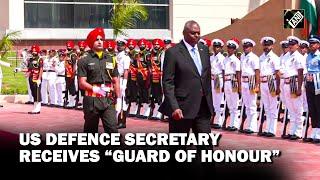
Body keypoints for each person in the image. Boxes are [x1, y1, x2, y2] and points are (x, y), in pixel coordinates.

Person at [159, 20, 213, 144]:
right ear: (184, 33)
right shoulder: (173, 53)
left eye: (199, 33)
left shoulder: (204, 50)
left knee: (206, 148)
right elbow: (168, 82)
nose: (197, 35)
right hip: (182, 109)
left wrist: (210, 104)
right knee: (178, 148)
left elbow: (206, 77)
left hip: (202, 108)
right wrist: (174, 107)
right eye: (193, 33)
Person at [78, 27, 120, 133]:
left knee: (113, 130)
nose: (100, 41)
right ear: (92, 42)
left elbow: (115, 80)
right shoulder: (84, 60)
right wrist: (97, 90)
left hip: (108, 100)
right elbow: (82, 83)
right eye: (97, 39)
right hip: (92, 101)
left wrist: (119, 99)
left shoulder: (111, 58)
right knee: (90, 132)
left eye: (102, 39)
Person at [281, 36, 304, 140]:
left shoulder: (299, 57)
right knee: (290, 108)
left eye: (293, 45)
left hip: (295, 83)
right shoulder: (285, 56)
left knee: (297, 108)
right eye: (289, 45)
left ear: (297, 46)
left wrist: (299, 88)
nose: (290, 46)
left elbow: (300, 73)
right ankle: (292, 131)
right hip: (286, 84)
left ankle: (298, 131)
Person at [258, 36, 280, 137]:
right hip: (263, 82)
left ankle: (272, 130)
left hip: (271, 82)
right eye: (265, 45)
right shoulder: (261, 57)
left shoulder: (274, 57)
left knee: (272, 106)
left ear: (272, 46)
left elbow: (277, 73)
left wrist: (278, 87)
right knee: (266, 107)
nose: (266, 46)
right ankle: (267, 129)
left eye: (268, 45)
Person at [239, 38, 260, 134]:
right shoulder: (242, 56)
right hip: (244, 81)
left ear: (251, 47)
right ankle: (248, 125)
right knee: (246, 105)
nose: (245, 48)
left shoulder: (254, 57)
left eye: (247, 47)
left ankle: (253, 127)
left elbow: (257, 72)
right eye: (244, 46)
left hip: (251, 81)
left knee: (252, 105)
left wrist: (257, 85)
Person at [15, 45, 43, 114]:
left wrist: (39, 78)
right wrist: (20, 70)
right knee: (33, 93)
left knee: (37, 94)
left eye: (35, 51)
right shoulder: (30, 59)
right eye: (32, 51)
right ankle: (35, 107)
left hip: (36, 79)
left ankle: (38, 109)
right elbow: (29, 69)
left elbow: (41, 69)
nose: (33, 52)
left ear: (37, 51)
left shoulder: (40, 59)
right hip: (31, 78)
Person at [304, 35, 320, 143]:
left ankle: (318, 133)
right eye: (310, 43)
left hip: (318, 83)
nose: (311, 45)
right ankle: (314, 131)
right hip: (309, 83)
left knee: (318, 107)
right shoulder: (308, 56)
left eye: (313, 43)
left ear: (318, 45)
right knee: (312, 108)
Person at [223, 38, 241, 131]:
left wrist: (239, 86)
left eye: (232, 48)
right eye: (229, 47)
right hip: (226, 81)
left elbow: (238, 73)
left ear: (235, 49)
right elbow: (223, 72)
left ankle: (235, 124)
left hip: (233, 81)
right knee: (229, 104)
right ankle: (231, 123)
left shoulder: (236, 60)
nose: (229, 49)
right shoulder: (225, 59)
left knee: (235, 104)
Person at [210, 39, 225, 129]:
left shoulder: (221, 58)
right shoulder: (212, 57)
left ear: (221, 48)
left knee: (219, 100)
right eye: (215, 47)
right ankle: (214, 118)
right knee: (213, 100)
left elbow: (223, 71)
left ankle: (219, 121)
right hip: (212, 78)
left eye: (218, 47)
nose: (216, 48)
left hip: (218, 79)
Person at [116, 38, 130, 128]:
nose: (119, 46)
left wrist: (124, 83)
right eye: (118, 45)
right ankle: (118, 120)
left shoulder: (125, 57)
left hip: (121, 80)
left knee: (121, 102)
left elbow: (126, 71)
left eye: (121, 45)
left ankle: (122, 121)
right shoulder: (117, 55)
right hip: (116, 80)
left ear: (125, 46)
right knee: (117, 100)